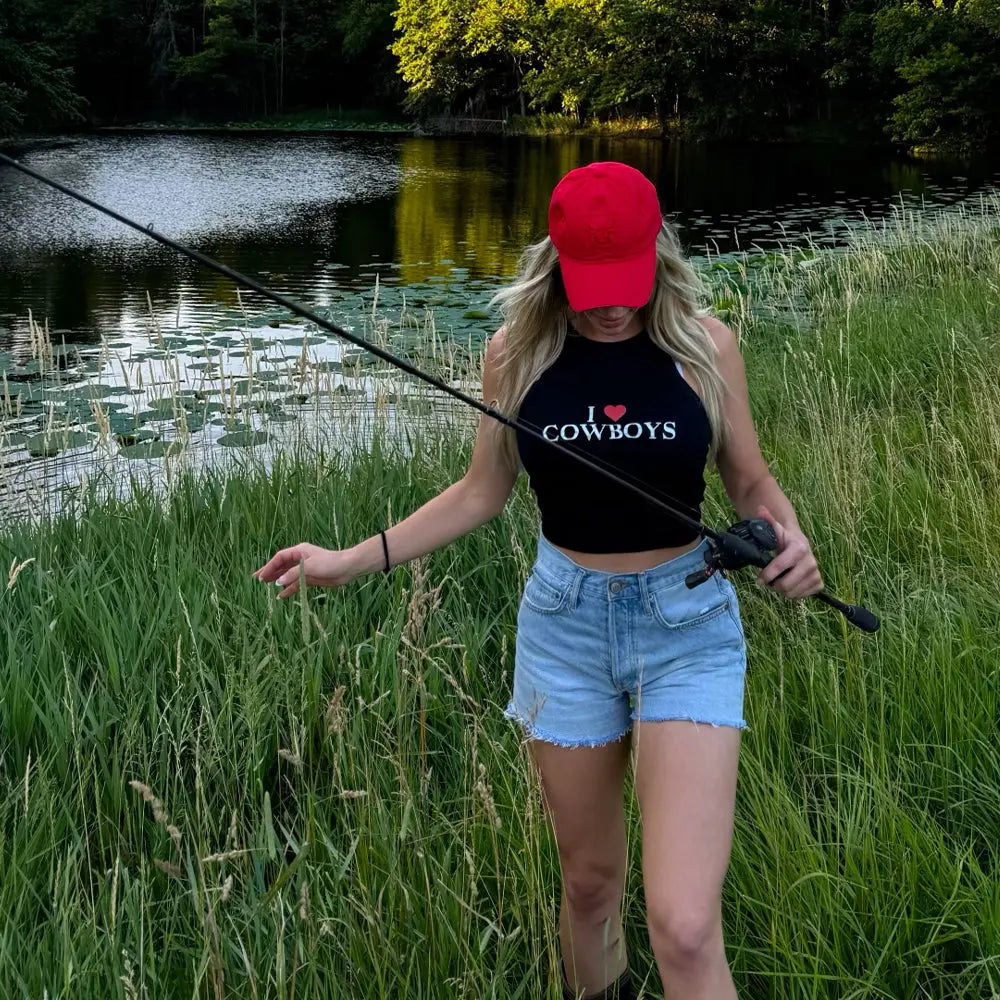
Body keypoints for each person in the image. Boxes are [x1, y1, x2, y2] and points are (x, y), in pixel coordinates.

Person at [253, 161, 823, 1000]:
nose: (608, 304)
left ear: (657, 253)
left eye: (624, 281)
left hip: (688, 625)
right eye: (589, 285)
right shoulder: (516, 355)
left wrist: (787, 533)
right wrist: (348, 558)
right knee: (591, 885)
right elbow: (482, 493)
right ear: (555, 264)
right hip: (566, 625)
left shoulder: (707, 346)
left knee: (686, 924)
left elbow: (750, 483)